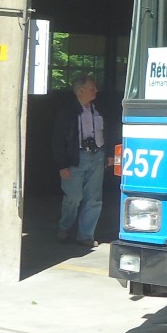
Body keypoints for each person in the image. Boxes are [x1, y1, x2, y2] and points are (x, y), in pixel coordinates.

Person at [51, 74, 115, 249]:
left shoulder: (100, 109)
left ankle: (86, 236)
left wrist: (110, 154)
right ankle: (65, 227)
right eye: (91, 88)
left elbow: (108, 132)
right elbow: (58, 140)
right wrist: (62, 165)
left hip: (97, 156)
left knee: (94, 199)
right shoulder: (68, 112)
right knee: (73, 197)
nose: (95, 90)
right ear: (80, 91)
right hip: (75, 158)